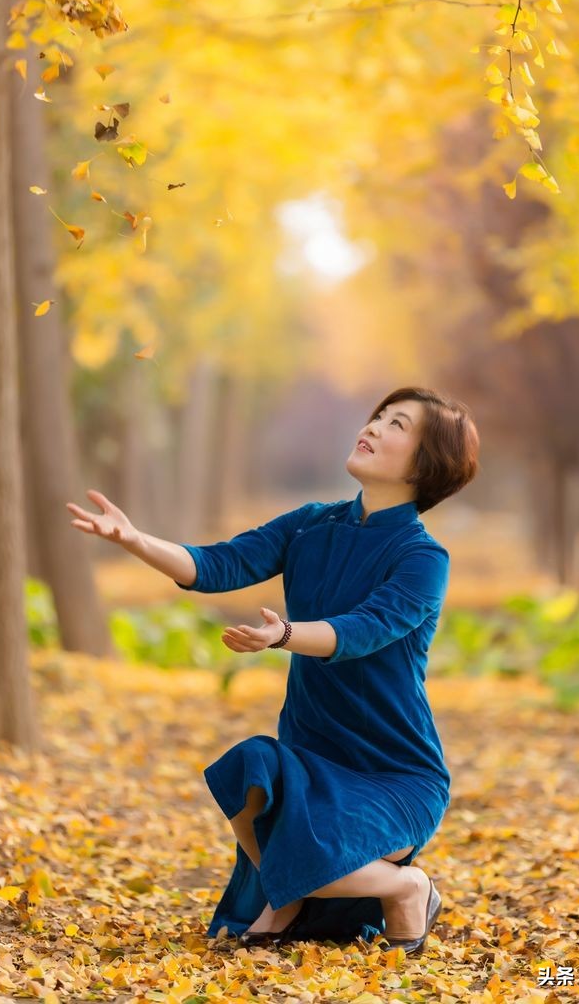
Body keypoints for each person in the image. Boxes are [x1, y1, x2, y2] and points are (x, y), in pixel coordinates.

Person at [67, 384, 479, 955]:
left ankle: (407, 887)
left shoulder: (422, 558)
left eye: (398, 425)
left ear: (426, 464)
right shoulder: (311, 524)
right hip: (312, 756)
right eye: (379, 416)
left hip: (394, 775)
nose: (376, 427)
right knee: (248, 769)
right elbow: (218, 564)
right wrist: (135, 540)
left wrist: (283, 635)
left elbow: (361, 631)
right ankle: (288, 896)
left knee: (309, 848)